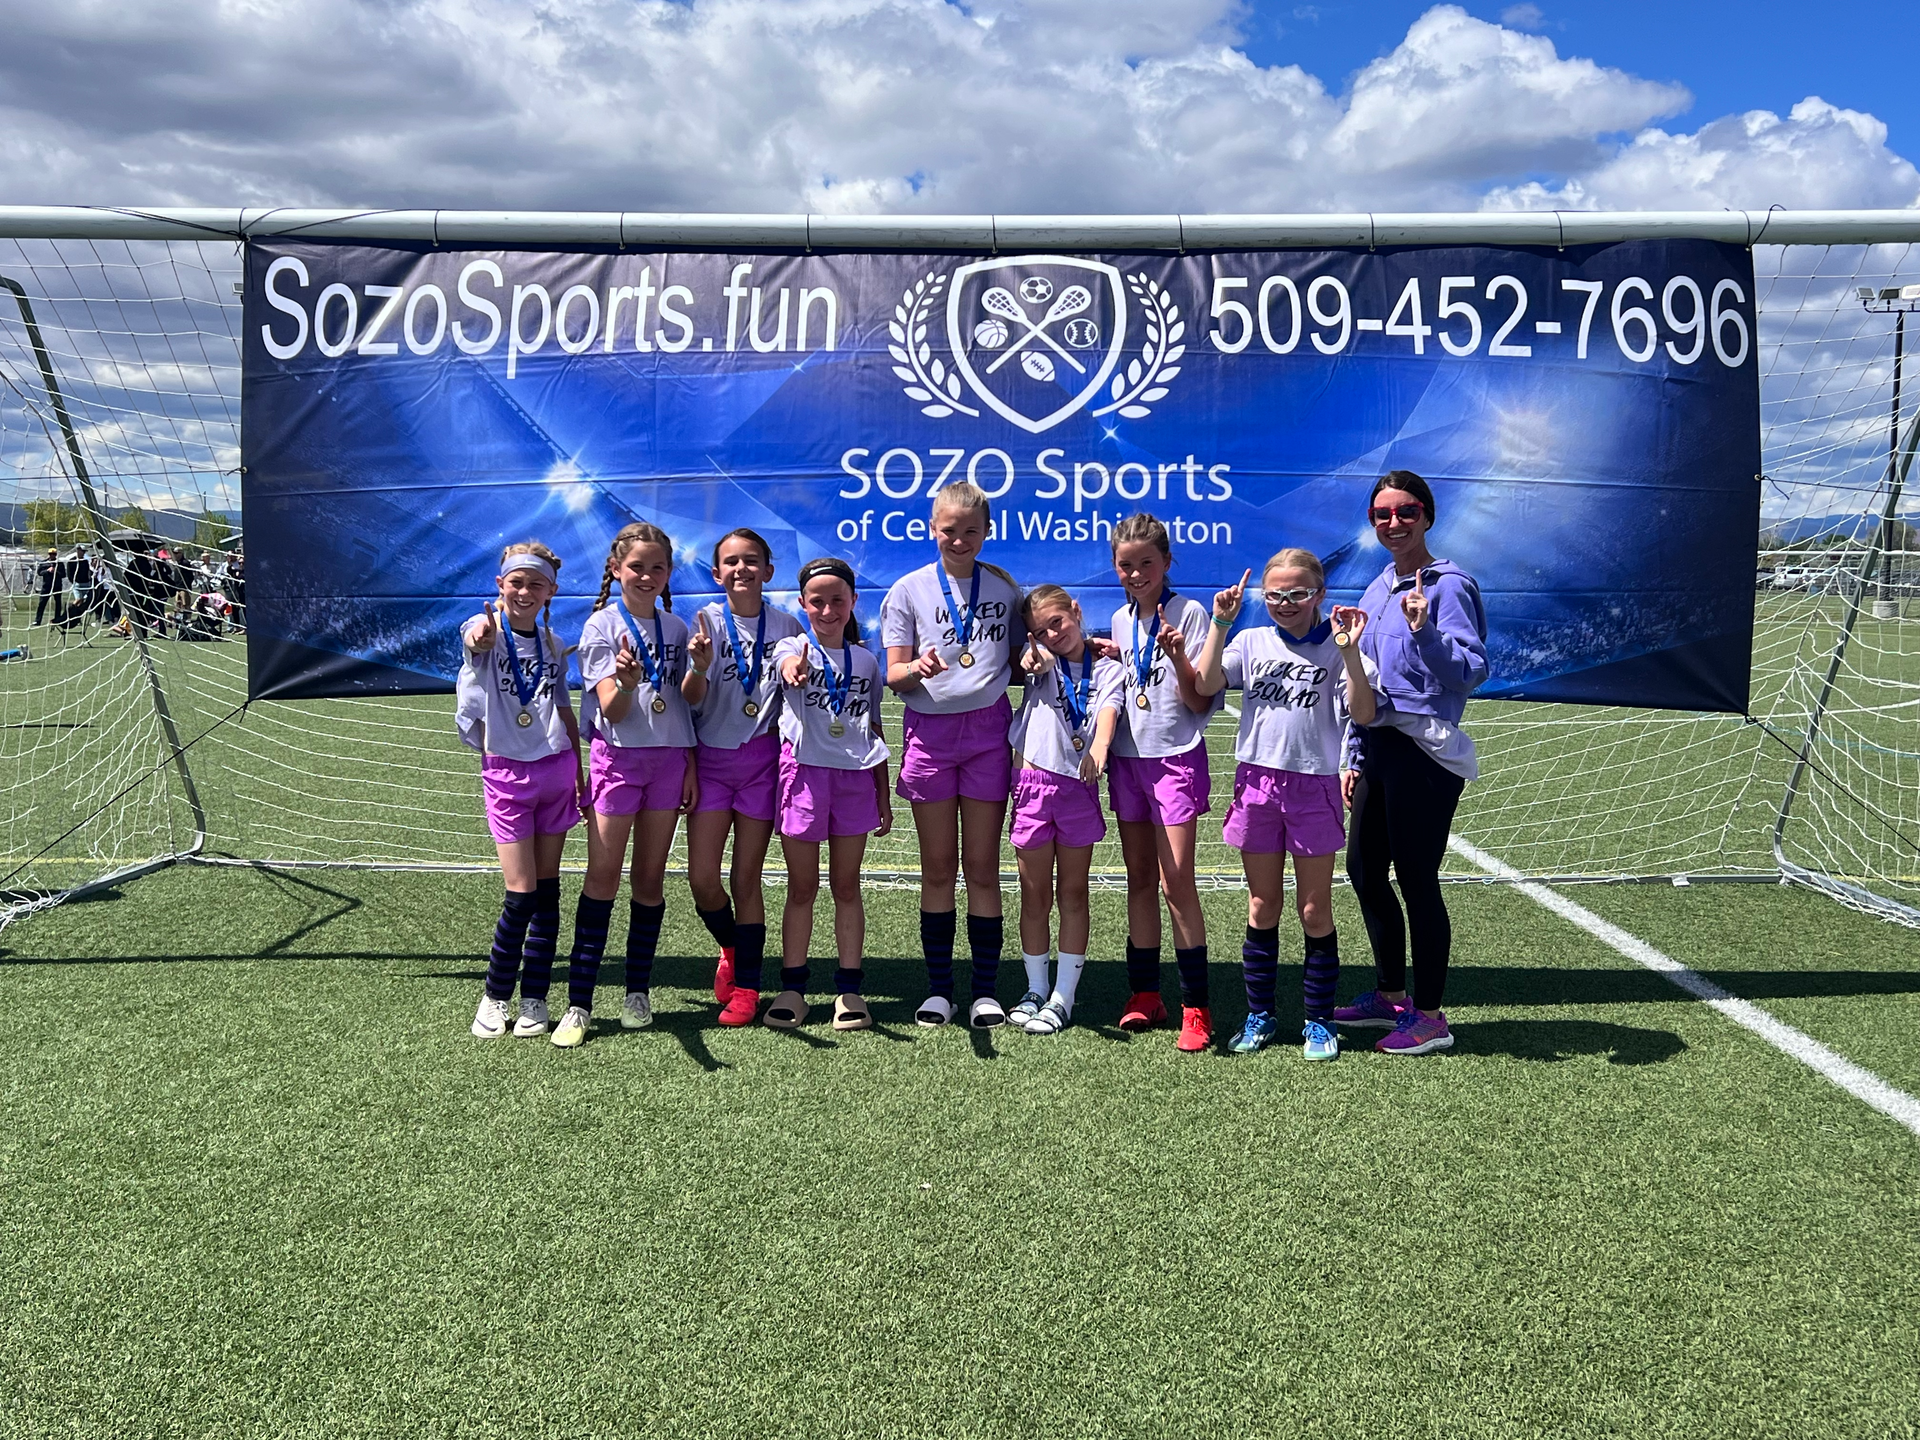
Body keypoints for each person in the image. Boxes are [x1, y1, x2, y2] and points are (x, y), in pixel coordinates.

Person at [1194, 552, 1379, 1060]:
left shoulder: (1339, 645)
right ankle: (1261, 1014)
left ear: (1319, 594)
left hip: (1313, 787)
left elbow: (1364, 712)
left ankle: (1318, 1020)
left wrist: (1350, 652)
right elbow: (1205, 684)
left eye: (1298, 593)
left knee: (1314, 911)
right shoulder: (1252, 640)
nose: (1285, 603)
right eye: (1275, 594)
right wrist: (1220, 623)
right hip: (1257, 784)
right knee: (1262, 905)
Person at [1332, 471, 1488, 1057]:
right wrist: (1354, 753)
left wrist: (1424, 633)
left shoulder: (1450, 586)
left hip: (1424, 752)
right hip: (1377, 748)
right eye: (1382, 514)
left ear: (1427, 515)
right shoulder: (1377, 587)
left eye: (1406, 512)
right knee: (1364, 870)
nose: (1393, 523)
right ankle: (1390, 994)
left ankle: (1430, 1017)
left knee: (1417, 878)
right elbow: (1363, 680)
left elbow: (1469, 672)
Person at [881, 481, 1024, 1029]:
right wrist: (916, 669)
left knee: (982, 868)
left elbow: (1020, 659)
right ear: (931, 529)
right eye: (949, 530)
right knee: (938, 868)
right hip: (931, 735)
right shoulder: (907, 590)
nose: (959, 540)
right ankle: (940, 990)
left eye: (970, 531)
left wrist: (1041, 659)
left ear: (987, 531)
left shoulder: (1004, 589)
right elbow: (894, 673)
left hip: (988, 732)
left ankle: (985, 991)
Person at [552, 521, 697, 1049]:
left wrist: (690, 764)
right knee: (603, 877)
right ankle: (579, 1003)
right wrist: (629, 685)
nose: (647, 575)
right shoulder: (601, 627)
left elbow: (682, 706)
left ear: (669, 573)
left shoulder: (677, 629)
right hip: (617, 762)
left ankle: (638, 992)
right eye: (637, 566)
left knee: (649, 881)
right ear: (616, 570)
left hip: (669, 763)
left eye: (658, 567)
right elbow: (611, 709)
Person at [1107, 513, 1222, 1051]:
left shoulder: (1189, 613)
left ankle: (1196, 1008)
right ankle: (1145, 994)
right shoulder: (1119, 619)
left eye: (1146, 563)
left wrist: (1178, 657)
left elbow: (1198, 699)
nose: (1135, 574)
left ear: (1167, 562)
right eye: (1125, 565)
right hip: (1127, 760)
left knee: (1177, 882)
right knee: (1138, 879)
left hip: (1174, 759)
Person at [456, 542, 581, 1040]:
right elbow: (475, 638)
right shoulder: (484, 629)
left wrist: (579, 769)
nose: (525, 592)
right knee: (521, 893)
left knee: (547, 892)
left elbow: (564, 709)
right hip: (506, 774)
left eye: (535, 584)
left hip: (556, 770)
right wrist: (482, 634)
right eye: (516, 582)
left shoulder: (553, 643)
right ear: (500, 585)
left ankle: (536, 997)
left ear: (551, 591)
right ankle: (494, 997)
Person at [682, 527, 803, 1027]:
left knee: (745, 878)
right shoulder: (705, 622)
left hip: (762, 764)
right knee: (702, 879)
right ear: (717, 573)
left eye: (751, 560)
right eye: (731, 562)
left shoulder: (788, 625)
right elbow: (690, 699)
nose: (741, 569)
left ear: (768, 570)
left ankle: (748, 989)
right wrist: (699, 668)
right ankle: (732, 947)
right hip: (711, 762)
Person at [767, 558, 893, 1030]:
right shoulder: (792, 645)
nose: (827, 610)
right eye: (816, 601)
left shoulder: (867, 662)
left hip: (855, 781)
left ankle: (849, 990)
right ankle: (793, 989)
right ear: (802, 604)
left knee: (846, 885)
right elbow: (786, 666)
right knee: (802, 887)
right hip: (804, 777)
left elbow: (872, 730)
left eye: (837, 600)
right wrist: (794, 669)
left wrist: (883, 796)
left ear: (853, 602)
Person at [1006, 586, 1123, 1036]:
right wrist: (1033, 656)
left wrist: (1100, 746)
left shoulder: (1109, 668)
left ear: (1076, 610)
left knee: (1072, 894)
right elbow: (1032, 662)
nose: (1052, 635)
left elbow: (1109, 709)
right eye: (1041, 631)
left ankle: (1063, 997)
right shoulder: (1041, 663)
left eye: (1057, 622)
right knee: (1034, 895)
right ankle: (1035, 989)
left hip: (1079, 786)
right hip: (1033, 786)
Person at [31, 549, 58, 627]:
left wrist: (55, 571)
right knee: (42, 603)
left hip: (57, 586)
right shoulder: (43, 563)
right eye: (50, 554)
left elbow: (63, 574)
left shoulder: (59, 563)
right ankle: (37, 621)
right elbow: (39, 573)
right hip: (46, 586)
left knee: (58, 604)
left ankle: (57, 619)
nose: (52, 555)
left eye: (54, 554)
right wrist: (47, 571)